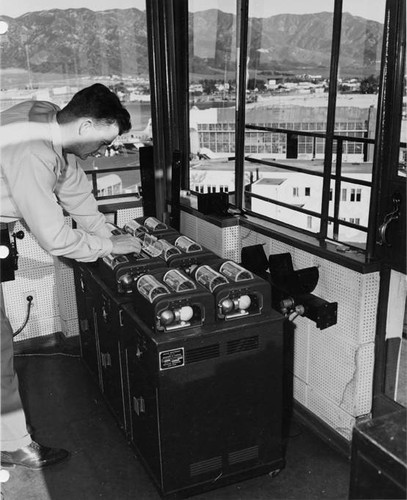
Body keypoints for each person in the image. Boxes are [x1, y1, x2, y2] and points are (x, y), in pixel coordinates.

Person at [0, 83, 142, 470]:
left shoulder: (45, 116)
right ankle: (13, 444)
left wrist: (109, 235)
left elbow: (74, 191)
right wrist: (110, 249)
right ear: (85, 125)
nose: (103, 152)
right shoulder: (33, 153)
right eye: (103, 141)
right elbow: (56, 238)